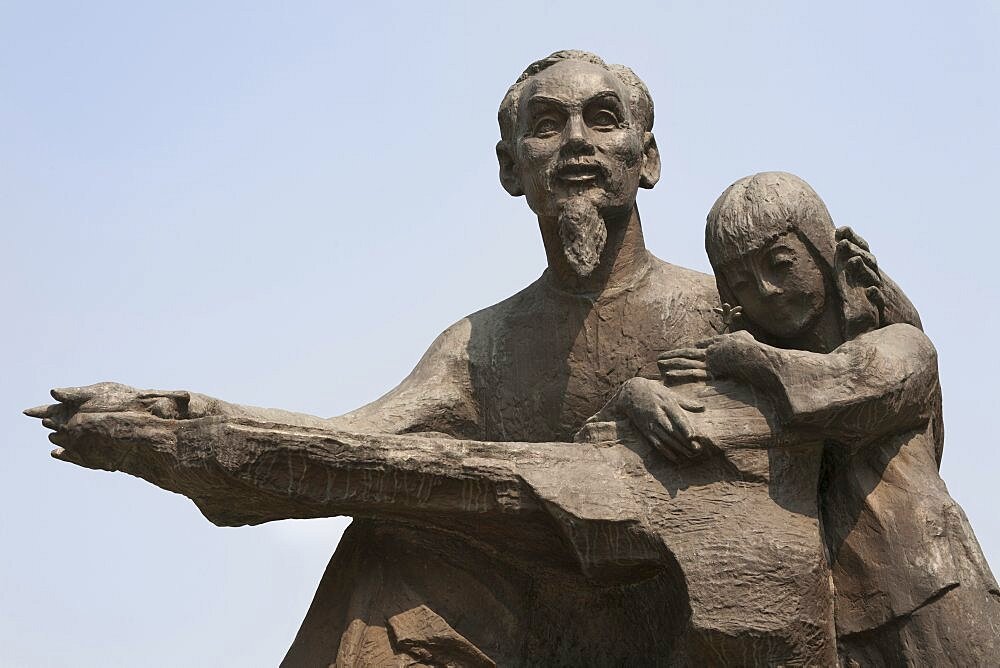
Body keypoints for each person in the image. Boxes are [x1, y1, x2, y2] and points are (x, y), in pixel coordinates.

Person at [26, 53, 908, 665]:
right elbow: (347, 446)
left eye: (603, 121)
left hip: (693, 627)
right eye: (547, 125)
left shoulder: (725, 305)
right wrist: (195, 428)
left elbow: (872, 401)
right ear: (508, 167)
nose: (576, 143)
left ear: (649, 160)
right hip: (540, 629)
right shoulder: (479, 346)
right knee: (387, 548)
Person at [657, 171, 999, 665]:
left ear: (822, 254)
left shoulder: (903, 346)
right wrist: (640, 396)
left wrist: (749, 359)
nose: (768, 291)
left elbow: (842, 387)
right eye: (743, 283)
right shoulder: (747, 381)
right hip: (819, 610)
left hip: (929, 588)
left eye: (780, 264)